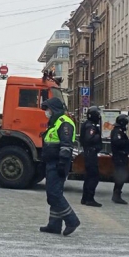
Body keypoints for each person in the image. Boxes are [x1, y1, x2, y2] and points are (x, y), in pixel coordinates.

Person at [39, 97, 80, 236]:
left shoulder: (64, 123)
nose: (47, 112)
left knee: (54, 194)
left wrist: (62, 163)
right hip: (53, 162)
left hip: (58, 163)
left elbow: (66, 145)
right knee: (53, 194)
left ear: (54, 109)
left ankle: (72, 220)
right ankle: (54, 225)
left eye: (48, 109)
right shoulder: (55, 122)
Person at [79, 106, 103, 207]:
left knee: (89, 176)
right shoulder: (91, 126)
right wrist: (97, 136)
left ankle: (85, 198)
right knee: (93, 176)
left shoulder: (87, 124)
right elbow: (89, 138)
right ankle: (89, 198)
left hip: (88, 152)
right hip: (91, 153)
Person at [110, 114, 129, 204]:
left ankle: (117, 194)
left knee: (121, 176)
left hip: (121, 156)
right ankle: (116, 195)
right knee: (120, 176)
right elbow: (117, 142)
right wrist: (126, 143)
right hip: (119, 157)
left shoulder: (120, 131)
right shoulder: (117, 131)